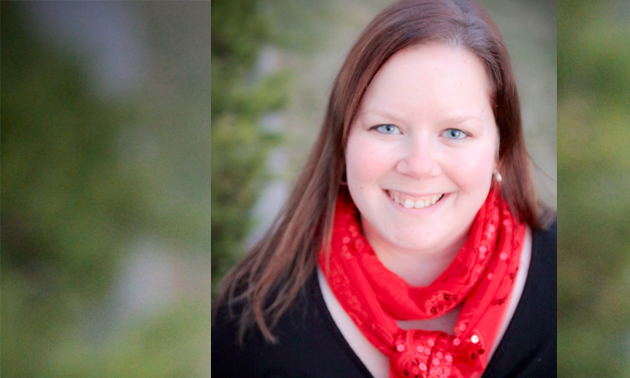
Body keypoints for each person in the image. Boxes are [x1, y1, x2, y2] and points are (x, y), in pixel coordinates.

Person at [212, 0, 556, 377]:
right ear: (342, 139)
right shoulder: (251, 323)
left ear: (499, 150)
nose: (419, 166)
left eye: (455, 132)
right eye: (386, 128)